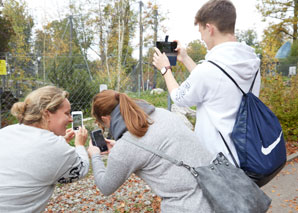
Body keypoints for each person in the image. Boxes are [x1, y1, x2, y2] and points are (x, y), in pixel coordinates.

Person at [152, 0, 261, 165]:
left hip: (219, 162)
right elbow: (216, 82)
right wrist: (186, 58)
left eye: (201, 31)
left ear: (210, 29)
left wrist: (165, 69)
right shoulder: (251, 60)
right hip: (246, 155)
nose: (201, 37)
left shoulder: (209, 70)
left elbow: (180, 97)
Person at [88, 90, 213, 212]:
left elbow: (105, 187)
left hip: (185, 205)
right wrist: (119, 146)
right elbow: (154, 144)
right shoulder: (162, 113)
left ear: (106, 119)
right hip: (217, 192)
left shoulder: (126, 147)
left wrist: (95, 155)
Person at [0, 86, 89, 212]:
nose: (70, 119)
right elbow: (81, 169)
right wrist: (79, 144)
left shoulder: (7, 132)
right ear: (47, 114)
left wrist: (60, 143)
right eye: (67, 113)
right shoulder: (54, 146)